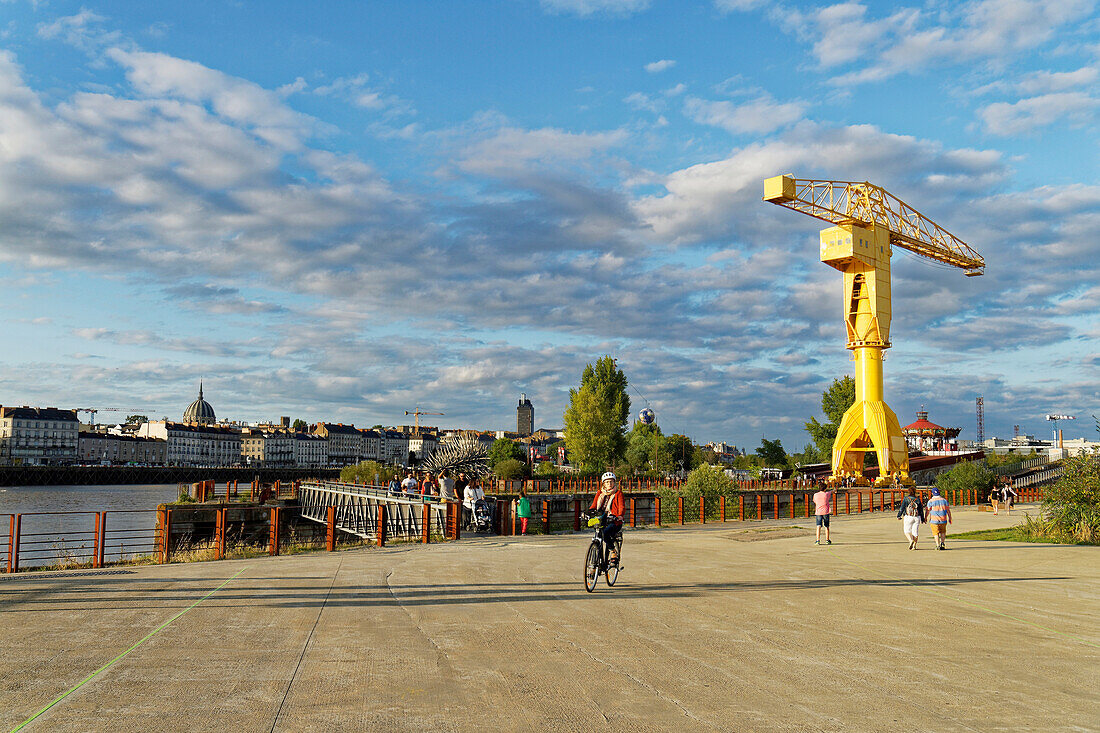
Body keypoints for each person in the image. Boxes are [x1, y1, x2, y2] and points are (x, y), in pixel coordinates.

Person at [589, 471, 625, 565]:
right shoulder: (600, 493)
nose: (609, 484)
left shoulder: (618, 493)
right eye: (607, 482)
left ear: (614, 483)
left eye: (611, 482)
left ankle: (613, 552)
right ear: (603, 483)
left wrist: (619, 516)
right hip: (602, 519)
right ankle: (596, 562)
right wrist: (588, 513)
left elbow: (621, 507)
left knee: (605, 533)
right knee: (598, 536)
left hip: (614, 521)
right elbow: (593, 506)